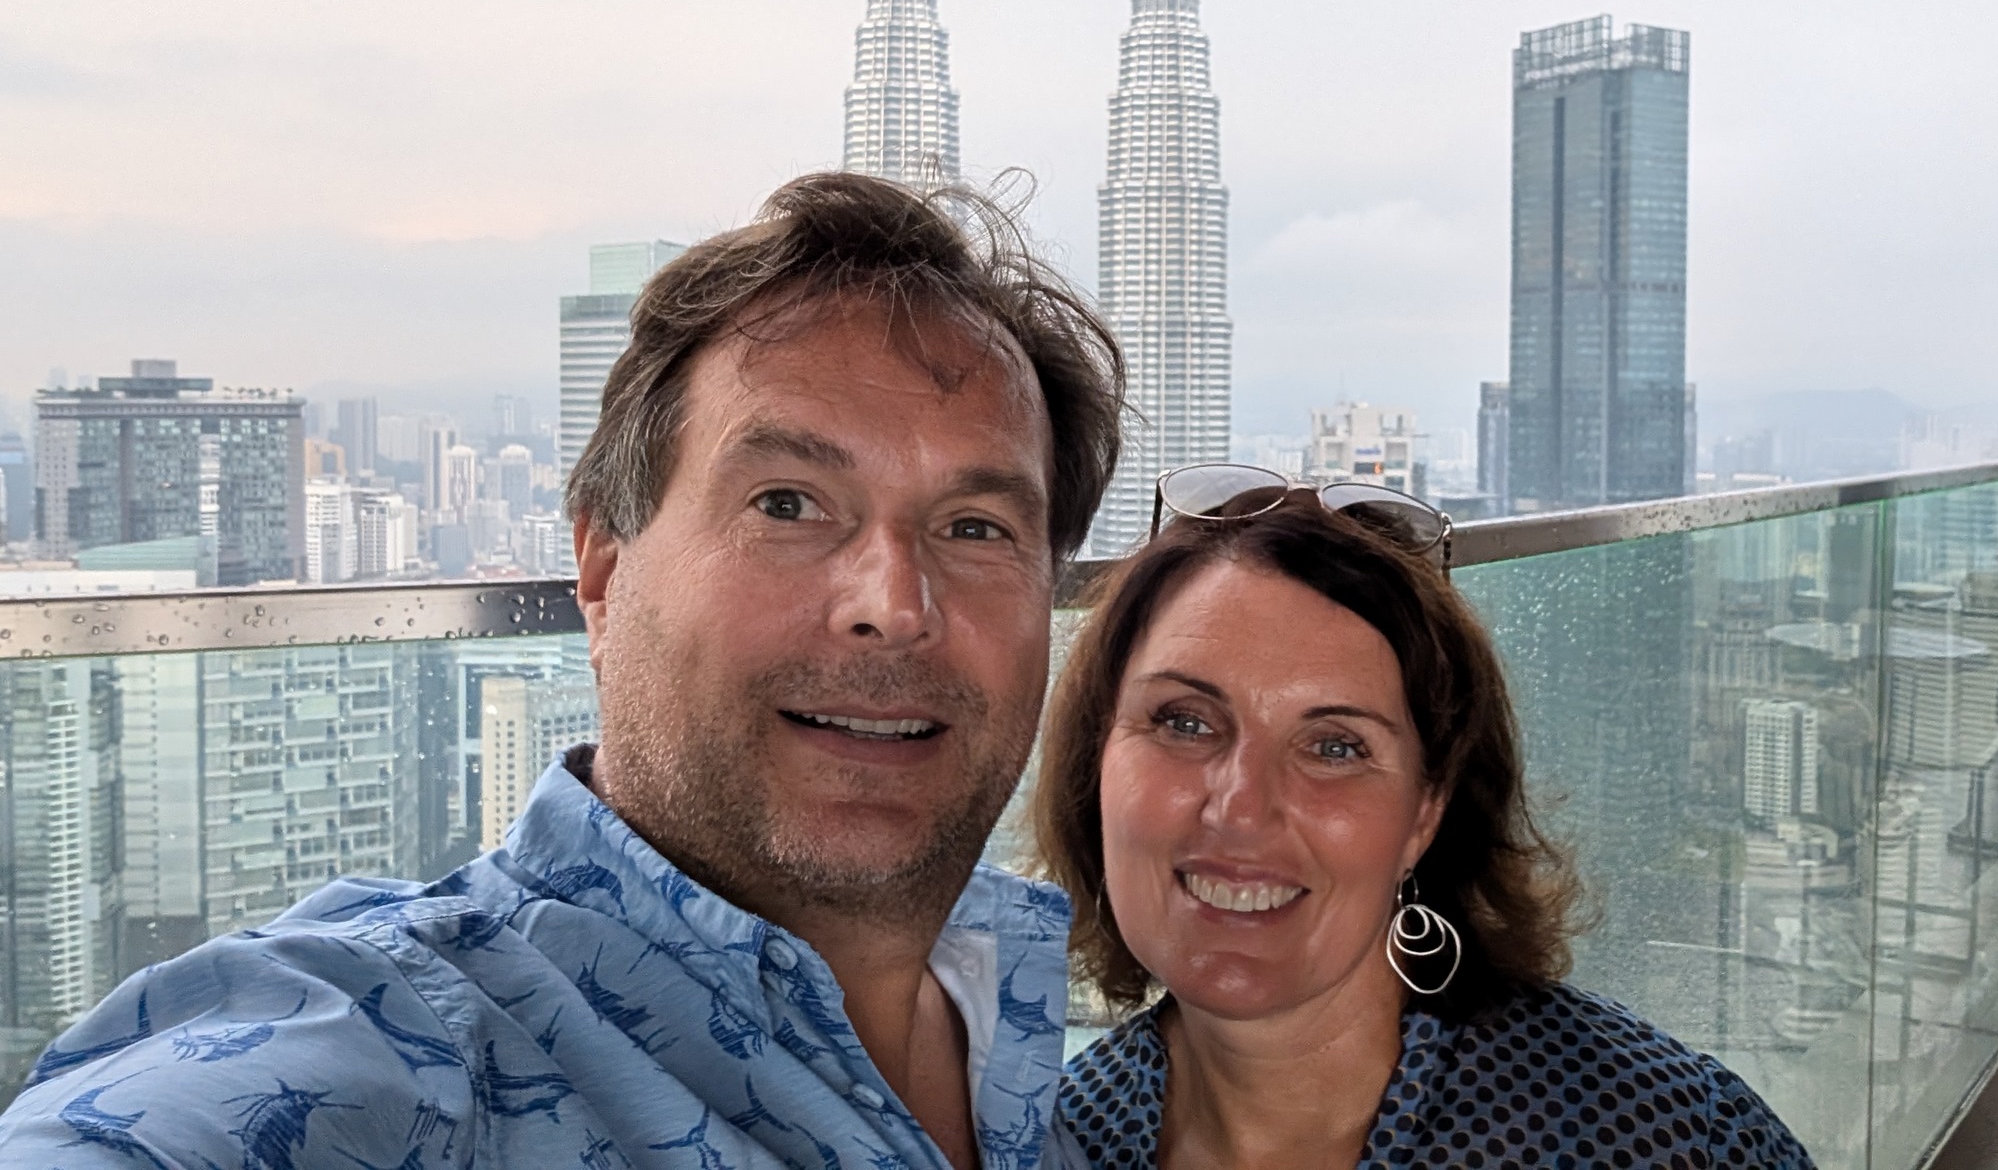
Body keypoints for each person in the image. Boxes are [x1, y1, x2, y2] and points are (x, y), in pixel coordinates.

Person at [0, 173, 1124, 1169]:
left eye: (975, 528)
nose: (894, 604)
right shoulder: (415, 1047)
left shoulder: (1048, 1043)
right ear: (602, 568)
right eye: (787, 503)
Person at [1034, 470, 1812, 1169]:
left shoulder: (1669, 1137)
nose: (1241, 807)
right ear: (1096, 761)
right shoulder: (1049, 1138)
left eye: (1334, 747)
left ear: (1425, 812)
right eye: (1184, 722)